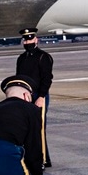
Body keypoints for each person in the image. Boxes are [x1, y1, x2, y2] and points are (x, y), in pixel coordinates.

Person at [15, 27, 54, 167]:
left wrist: (42, 96)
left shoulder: (44, 57)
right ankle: (33, 158)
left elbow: (47, 79)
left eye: (30, 39)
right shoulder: (21, 59)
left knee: (39, 128)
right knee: (27, 128)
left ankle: (42, 159)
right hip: (25, 96)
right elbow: (19, 78)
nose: (28, 42)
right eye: (25, 40)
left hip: (38, 95)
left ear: (36, 39)